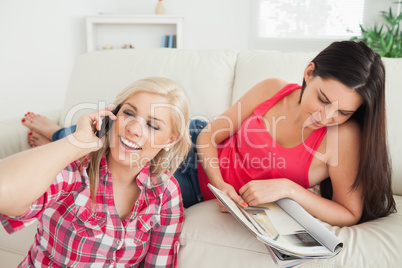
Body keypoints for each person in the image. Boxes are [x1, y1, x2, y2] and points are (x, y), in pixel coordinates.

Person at [21, 41, 396, 227]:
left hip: (192, 184)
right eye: (322, 99)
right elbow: (207, 137)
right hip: (194, 148)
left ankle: (59, 136)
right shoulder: (272, 89)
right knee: (112, 137)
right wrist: (223, 187)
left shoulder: (343, 137)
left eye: (343, 111)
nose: (326, 116)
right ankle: (60, 133)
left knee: (120, 183)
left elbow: (349, 212)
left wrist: (289, 188)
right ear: (309, 72)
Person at [1, 77, 191, 267]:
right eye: (129, 113)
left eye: (152, 125)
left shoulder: (165, 190)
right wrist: (77, 142)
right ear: (112, 115)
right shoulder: (75, 170)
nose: (133, 129)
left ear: (170, 140)